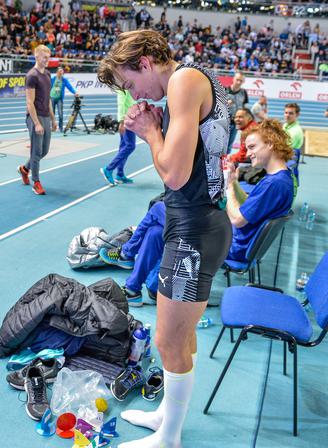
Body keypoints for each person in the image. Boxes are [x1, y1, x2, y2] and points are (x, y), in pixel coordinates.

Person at [97, 29, 231, 447]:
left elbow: (174, 174)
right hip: (195, 221)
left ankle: (169, 437)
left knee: (167, 340)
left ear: (145, 62)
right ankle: (166, 417)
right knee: (182, 338)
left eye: (131, 83)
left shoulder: (183, 81)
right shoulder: (195, 79)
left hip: (195, 229)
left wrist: (150, 133)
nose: (136, 94)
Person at [102, 120, 296, 308]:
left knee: (159, 208)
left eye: (253, 147)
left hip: (231, 244)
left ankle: (127, 253)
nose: (248, 153)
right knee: (155, 230)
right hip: (233, 238)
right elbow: (247, 204)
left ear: (270, 144)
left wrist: (227, 186)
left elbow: (238, 219)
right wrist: (233, 182)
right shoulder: (282, 177)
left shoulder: (275, 184)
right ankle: (136, 289)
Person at [17, 45, 57, 196]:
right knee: (36, 150)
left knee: (44, 150)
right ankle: (36, 182)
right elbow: (29, 102)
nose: (47, 60)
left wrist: (53, 120)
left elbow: (48, 100)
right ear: (36, 57)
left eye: (48, 57)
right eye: (44, 57)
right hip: (35, 117)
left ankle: (25, 168)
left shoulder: (47, 74)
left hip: (46, 116)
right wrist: (37, 123)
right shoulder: (32, 76)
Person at [100, 88, 137, 184]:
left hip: (129, 118)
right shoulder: (123, 87)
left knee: (124, 146)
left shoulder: (128, 85)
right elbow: (121, 103)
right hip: (126, 120)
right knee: (130, 146)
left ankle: (120, 174)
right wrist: (121, 121)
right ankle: (108, 169)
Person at [225, 72, 249, 151]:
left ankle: (225, 162)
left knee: (229, 144)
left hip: (236, 123)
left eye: (241, 81)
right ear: (233, 79)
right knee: (221, 143)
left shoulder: (244, 92)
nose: (239, 82)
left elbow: (244, 107)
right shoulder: (225, 90)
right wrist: (225, 104)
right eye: (237, 80)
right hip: (224, 122)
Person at [49, 67, 77, 132]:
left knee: (60, 114)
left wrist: (75, 92)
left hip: (59, 99)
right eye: (60, 72)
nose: (61, 73)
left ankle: (61, 128)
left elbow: (69, 87)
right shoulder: (53, 79)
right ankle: (53, 127)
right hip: (52, 98)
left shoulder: (64, 80)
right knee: (52, 114)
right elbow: (48, 87)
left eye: (62, 72)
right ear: (57, 73)